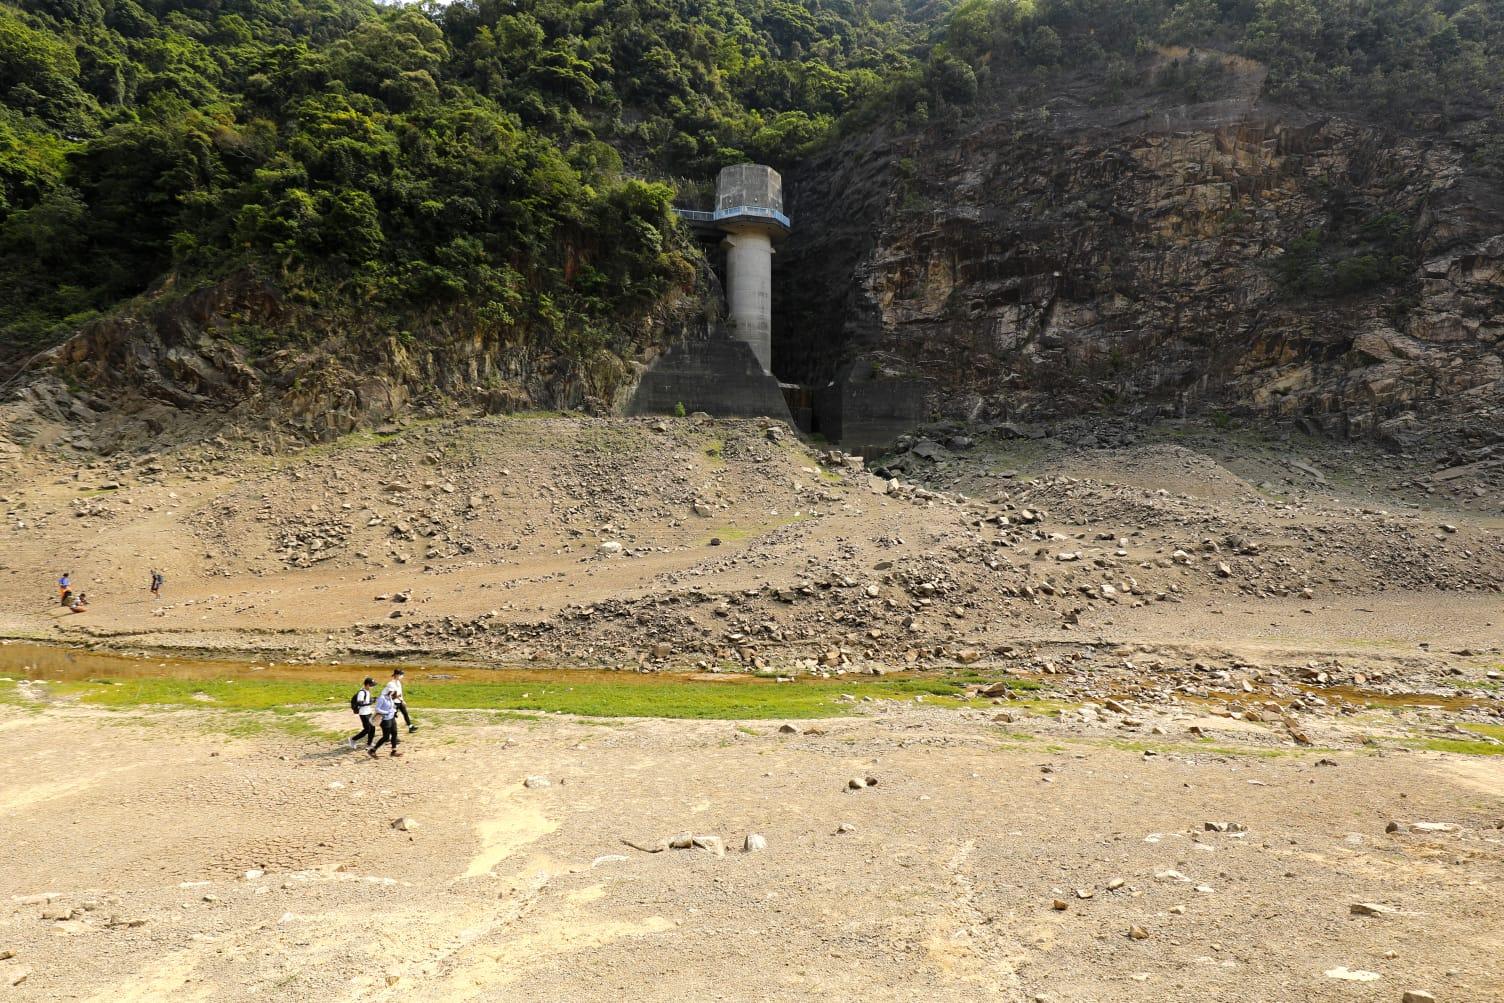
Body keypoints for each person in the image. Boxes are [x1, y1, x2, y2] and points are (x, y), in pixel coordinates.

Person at [368, 687, 401, 758]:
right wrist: (387, 712)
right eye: (392, 691)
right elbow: (377, 709)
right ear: (388, 691)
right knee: (386, 737)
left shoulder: (389, 697)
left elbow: (391, 706)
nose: (393, 693)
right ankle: (372, 750)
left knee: (394, 733)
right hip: (385, 719)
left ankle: (394, 751)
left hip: (391, 718)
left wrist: (393, 710)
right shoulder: (382, 698)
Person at [382, 668, 417, 733]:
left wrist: (402, 700)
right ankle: (388, 732)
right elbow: (393, 694)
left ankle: (410, 727)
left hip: (399, 701)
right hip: (394, 703)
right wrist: (401, 701)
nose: (402, 676)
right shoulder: (391, 684)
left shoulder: (398, 682)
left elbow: (400, 693)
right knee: (391, 717)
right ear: (396, 675)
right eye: (401, 674)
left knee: (405, 713)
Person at [348, 677, 376, 750]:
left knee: (373, 727)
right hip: (363, 713)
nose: (372, 686)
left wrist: (373, 699)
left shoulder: (367, 691)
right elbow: (360, 703)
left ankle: (369, 743)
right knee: (367, 729)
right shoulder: (361, 692)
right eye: (371, 685)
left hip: (369, 712)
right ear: (366, 684)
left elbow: (367, 701)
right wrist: (370, 703)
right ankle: (353, 739)